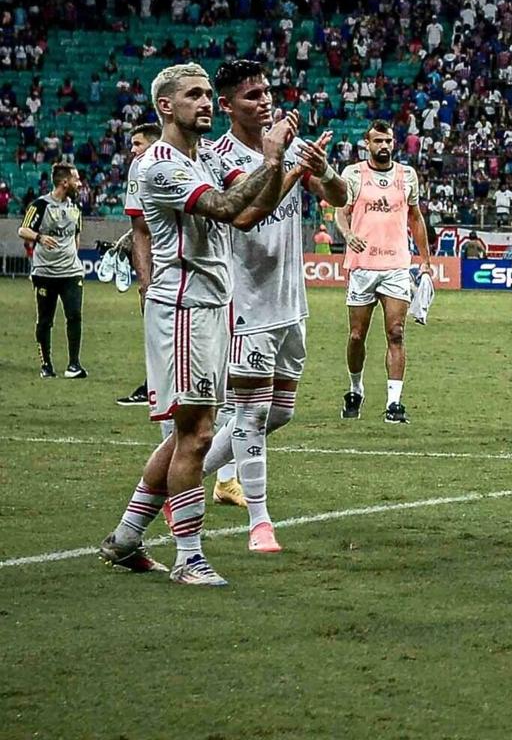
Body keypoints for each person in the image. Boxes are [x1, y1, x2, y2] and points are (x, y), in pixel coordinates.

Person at [98, 62, 316, 587]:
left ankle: (127, 537)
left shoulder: (201, 160)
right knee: (196, 435)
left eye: (205, 94)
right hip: (183, 308)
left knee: (187, 433)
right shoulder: (162, 165)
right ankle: (189, 557)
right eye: (193, 95)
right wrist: (271, 157)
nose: (203, 102)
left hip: (213, 307)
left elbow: (251, 212)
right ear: (166, 107)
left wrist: (287, 167)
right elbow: (227, 207)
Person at [199, 59, 348, 552]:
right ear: (226, 106)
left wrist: (320, 168)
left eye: (265, 92)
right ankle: (260, 524)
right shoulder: (216, 157)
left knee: (279, 414)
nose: (263, 101)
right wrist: (284, 163)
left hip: (290, 301)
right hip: (245, 301)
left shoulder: (287, 146)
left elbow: (339, 194)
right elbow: (240, 215)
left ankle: (182, 469)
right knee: (252, 413)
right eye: (250, 96)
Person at [337, 121, 431, 424]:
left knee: (396, 333)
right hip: (362, 265)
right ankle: (355, 388)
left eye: (388, 140)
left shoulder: (407, 176)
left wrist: (426, 260)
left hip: (396, 265)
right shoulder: (353, 174)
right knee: (356, 336)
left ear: (395, 142)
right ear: (367, 144)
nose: (384, 146)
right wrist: (348, 234)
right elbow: (341, 212)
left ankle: (394, 403)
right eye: (378, 141)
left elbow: (416, 219)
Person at [22, 161, 87, 378]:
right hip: (45, 273)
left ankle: (74, 365)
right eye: (76, 178)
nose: (80, 183)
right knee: (45, 320)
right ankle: (46, 365)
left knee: (75, 315)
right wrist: (40, 237)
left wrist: (72, 257)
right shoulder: (40, 205)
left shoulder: (75, 208)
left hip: (71, 272)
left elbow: (77, 235)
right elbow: (23, 230)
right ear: (64, 182)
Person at [114, 123, 162, 408]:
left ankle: (154, 387)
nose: (133, 151)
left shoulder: (144, 165)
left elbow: (141, 227)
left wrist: (145, 282)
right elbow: (142, 227)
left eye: (137, 144)